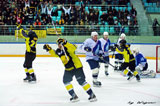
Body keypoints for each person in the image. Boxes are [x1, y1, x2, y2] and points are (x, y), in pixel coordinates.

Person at [43, 38, 97, 102]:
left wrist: (65, 43)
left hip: (76, 67)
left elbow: (74, 48)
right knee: (66, 81)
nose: (59, 45)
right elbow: (55, 54)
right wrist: (49, 49)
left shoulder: (68, 47)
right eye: (58, 44)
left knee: (81, 81)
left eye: (60, 43)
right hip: (68, 69)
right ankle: (74, 96)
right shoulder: (59, 51)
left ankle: (92, 95)